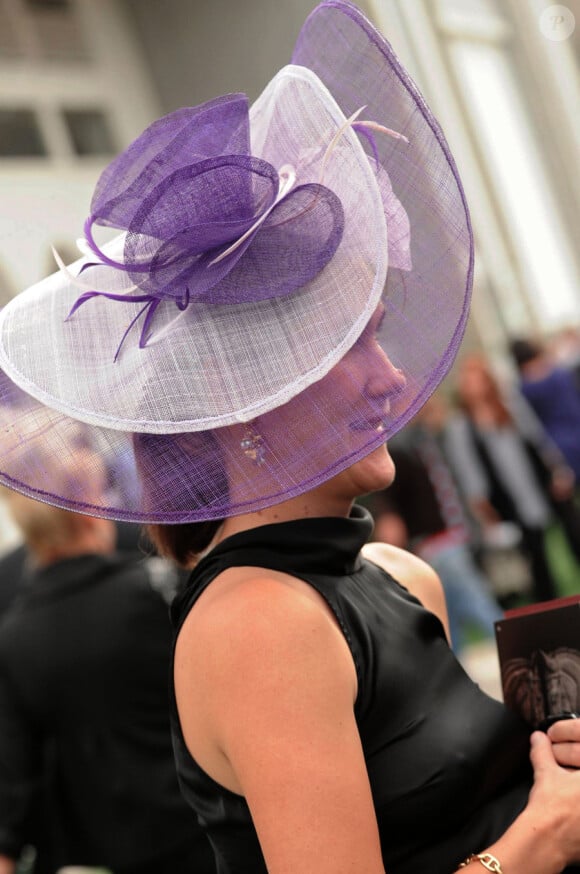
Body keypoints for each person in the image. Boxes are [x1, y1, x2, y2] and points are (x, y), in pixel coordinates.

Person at [2, 2, 580, 872]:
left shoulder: (396, 577)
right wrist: (542, 836)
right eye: (356, 346)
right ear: (248, 400)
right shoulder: (258, 627)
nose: (393, 379)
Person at [0, 449, 215, 874]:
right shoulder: (161, 592)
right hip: (202, 839)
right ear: (87, 510)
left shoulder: (13, 638)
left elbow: (10, 788)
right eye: (104, 492)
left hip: (97, 858)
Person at [362, 396, 502, 654]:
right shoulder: (400, 444)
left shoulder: (425, 437)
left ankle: (455, 681)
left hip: (444, 542)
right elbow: (388, 502)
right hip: (437, 544)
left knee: (448, 624)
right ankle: (523, 654)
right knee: (482, 611)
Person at [447, 353, 580, 604]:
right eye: (469, 381)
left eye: (479, 379)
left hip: (539, 485)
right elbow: (469, 473)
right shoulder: (462, 427)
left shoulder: (508, 405)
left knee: (574, 531)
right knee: (535, 557)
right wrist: (484, 509)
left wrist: (557, 470)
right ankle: (551, 606)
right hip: (508, 500)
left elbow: (538, 440)